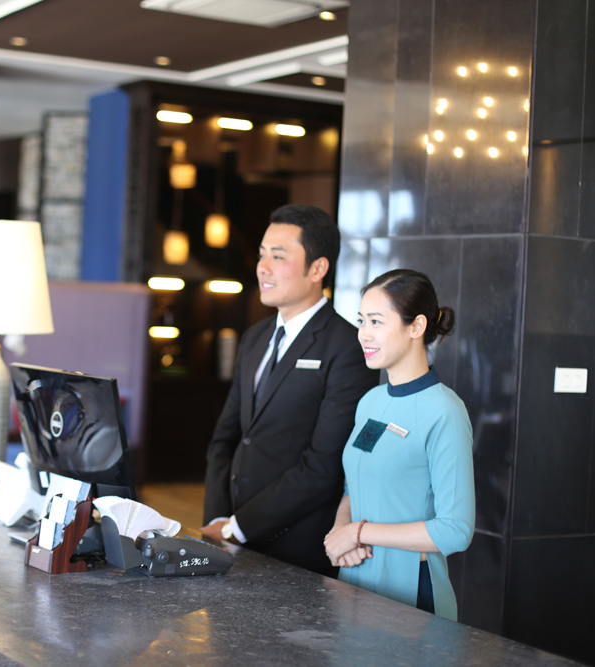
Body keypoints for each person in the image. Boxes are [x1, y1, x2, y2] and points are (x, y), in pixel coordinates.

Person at [201, 204, 379, 575]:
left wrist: (239, 527)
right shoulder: (255, 337)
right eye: (262, 254)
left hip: (296, 550)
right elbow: (226, 438)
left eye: (278, 257)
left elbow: (323, 465)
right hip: (230, 537)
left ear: (317, 269)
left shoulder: (347, 347)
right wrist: (219, 519)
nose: (262, 267)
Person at [323, 269, 475, 620]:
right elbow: (355, 487)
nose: (364, 334)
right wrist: (341, 532)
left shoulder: (445, 412)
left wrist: (358, 532)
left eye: (376, 321)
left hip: (410, 594)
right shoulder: (371, 402)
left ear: (416, 326)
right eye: (362, 321)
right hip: (355, 579)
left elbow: (455, 530)